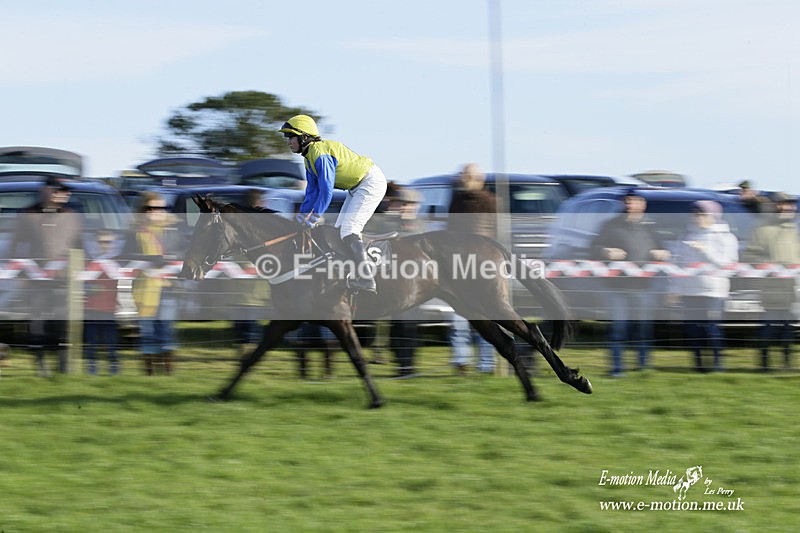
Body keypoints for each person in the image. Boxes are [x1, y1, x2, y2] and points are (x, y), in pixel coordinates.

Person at [279, 114, 388, 293]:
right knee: (338, 233)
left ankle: (367, 279)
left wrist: (312, 218)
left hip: (370, 183)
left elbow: (326, 192)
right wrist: (299, 220)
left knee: (349, 230)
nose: (289, 142)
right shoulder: (308, 159)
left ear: (303, 137)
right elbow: (311, 193)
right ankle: (351, 274)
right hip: (356, 188)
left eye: (291, 137)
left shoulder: (320, 154)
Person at [591, 189, 670, 377]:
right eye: (626, 201)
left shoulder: (650, 228)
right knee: (618, 329)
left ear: (642, 205)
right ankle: (617, 369)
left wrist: (661, 254)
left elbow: (664, 250)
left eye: (633, 201)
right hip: (617, 288)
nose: (629, 205)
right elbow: (592, 248)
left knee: (643, 329)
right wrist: (604, 251)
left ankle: (643, 368)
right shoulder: (610, 226)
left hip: (644, 288)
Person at [10, 175, 82, 376]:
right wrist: (21, 274)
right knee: (37, 321)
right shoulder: (28, 215)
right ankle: (40, 363)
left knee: (61, 320)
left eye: (67, 191)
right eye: (60, 190)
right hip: (36, 278)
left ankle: (62, 363)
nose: (65, 194)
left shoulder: (71, 215)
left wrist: (80, 270)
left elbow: (79, 245)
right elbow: (16, 247)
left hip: (62, 278)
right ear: (47, 191)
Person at [670, 201, 738, 372]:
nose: (698, 218)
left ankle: (717, 366)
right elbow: (678, 264)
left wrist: (705, 250)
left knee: (712, 329)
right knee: (693, 331)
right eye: (695, 215)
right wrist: (675, 289)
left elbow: (728, 264)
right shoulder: (686, 236)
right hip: (690, 291)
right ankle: (698, 364)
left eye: (702, 215)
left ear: (713, 216)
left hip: (714, 292)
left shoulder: (726, 237)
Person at [446, 163, 500, 374]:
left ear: (479, 179)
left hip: (482, 267)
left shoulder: (491, 202)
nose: (462, 178)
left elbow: (497, 233)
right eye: (461, 174)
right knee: (458, 319)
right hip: (458, 268)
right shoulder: (456, 200)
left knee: (484, 317)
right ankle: (461, 361)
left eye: (466, 175)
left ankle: (487, 364)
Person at [124, 192, 182, 375]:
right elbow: (126, 256)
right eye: (151, 208)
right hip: (143, 289)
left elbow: (182, 253)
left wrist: (168, 260)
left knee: (166, 329)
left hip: (167, 288)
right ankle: (149, 373)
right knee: (147, 331)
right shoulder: (134, 233)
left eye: (160, 208)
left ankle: (168, 372)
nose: (156, 212)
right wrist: (147, 259)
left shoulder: (174, 230)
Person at [742, 191, 800, 371]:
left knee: (787, 327)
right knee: (769, 326)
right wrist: (767, 266)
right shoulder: (762, 230)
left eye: (790, 204)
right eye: (783, 204)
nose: (788, 207)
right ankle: (765, 364)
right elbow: (749, 255)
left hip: (791, 286)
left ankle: (786, 364)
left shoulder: (794, 230)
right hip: (771, 285)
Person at [84, 230, 121, 375]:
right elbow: (82, 282)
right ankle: (92, 370)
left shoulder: (117, 263)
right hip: (91, 308)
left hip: (110, 309)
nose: (105, 245)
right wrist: (88, 287)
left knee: (111, 342)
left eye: (108, 242)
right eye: (101, 242)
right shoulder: (91, 263)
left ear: (114, 244)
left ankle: (114, 371)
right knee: (91, 342)